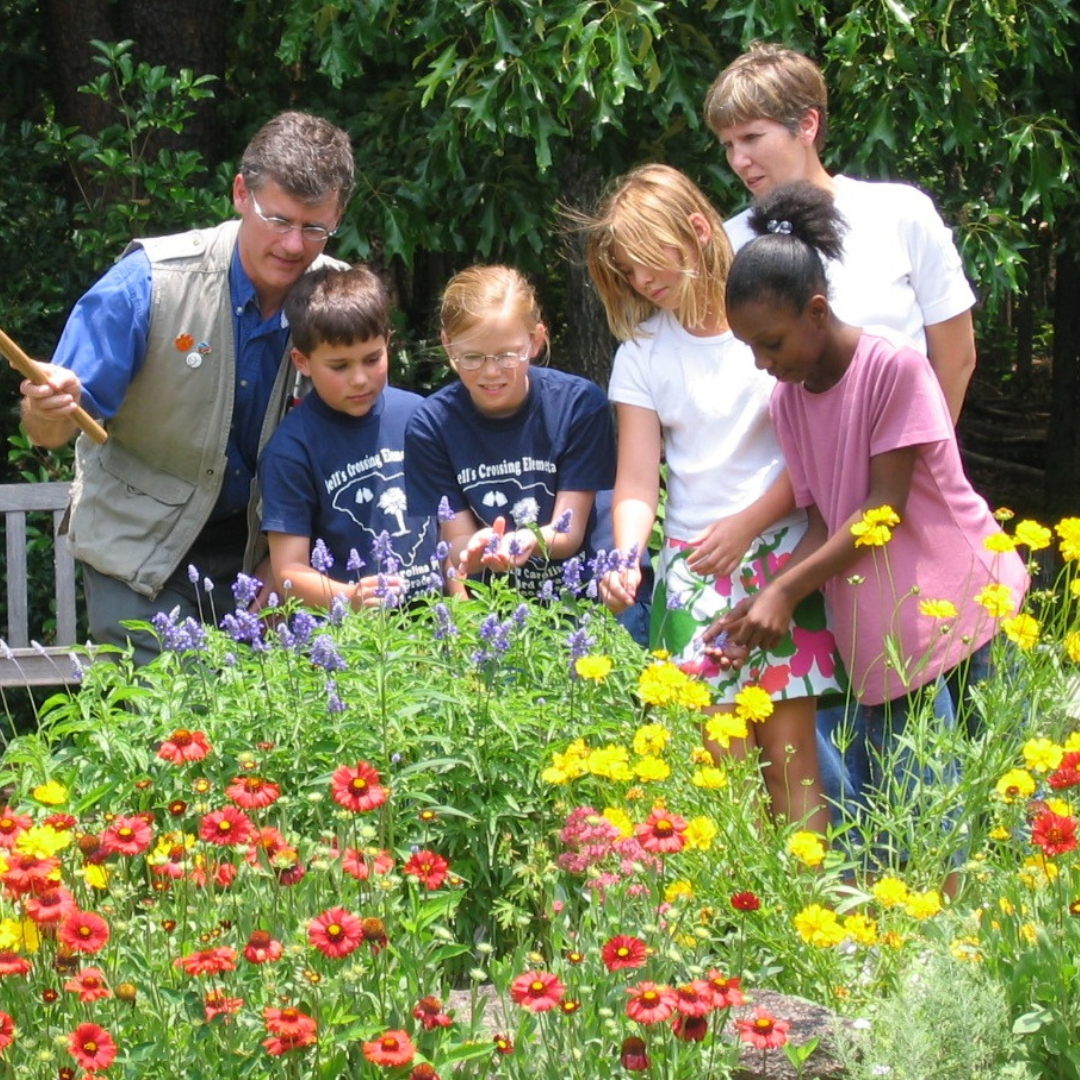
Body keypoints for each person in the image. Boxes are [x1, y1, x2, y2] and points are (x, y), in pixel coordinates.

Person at [705, 182, 1029, 818]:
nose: (761, 362)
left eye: (771, 343)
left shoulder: (895, 371)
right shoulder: (790, 402)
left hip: (969, 610)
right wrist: (763, 599)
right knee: (922, 821)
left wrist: (787, 591)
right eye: (748, 348)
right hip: (888, 638)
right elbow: (826, 519)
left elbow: (883, 510)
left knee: (1010, 807)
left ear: (817, 313)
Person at [15, 111, 354, 663]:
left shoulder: (336, 297)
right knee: (182, 716)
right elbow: (47, 431)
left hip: (270, 556)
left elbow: (357, 442)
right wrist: (47, 405)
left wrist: (287, 561)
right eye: (278, 219)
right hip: (142, 554)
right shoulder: (148, 282)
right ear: (241, 194)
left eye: (314, 228)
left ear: (337, 215)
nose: (294, 245)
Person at [582, 164, 844, 834]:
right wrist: (627, 555)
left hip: (783, 563)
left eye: (650, 262)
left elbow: (814, 455)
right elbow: (640, 479)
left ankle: (806, 919)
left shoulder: (767, 322)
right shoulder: (641, 352)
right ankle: (728, 928)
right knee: (714, 772)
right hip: (692, 571)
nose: (643, 283)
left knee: (791, 763)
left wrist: (750, 523)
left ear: (697, 230)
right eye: (628, 272)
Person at [704, 41, 977, 425]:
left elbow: (957, 357)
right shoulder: (726, 244)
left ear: (807, 125)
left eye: (751, 138)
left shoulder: (901, 212)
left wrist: (922, 461)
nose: (738, 160)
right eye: (728, 145)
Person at [404, 265, 646, 634]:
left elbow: (569, 533)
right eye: (472, 357)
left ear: (535, 341)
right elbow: (454, 542)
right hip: (494, 617)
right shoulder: (431, 425)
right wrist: (475, 546)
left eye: (507, 355)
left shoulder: (578, 404)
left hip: (585, 604)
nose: (490, 372)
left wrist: (526, 541)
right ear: (448, 345)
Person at [257, 266, 436, 610]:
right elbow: (289, 570)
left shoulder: (421, 416)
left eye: (372, 359)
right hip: (352, 640)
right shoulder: (291, 450)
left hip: (436, 622)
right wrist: (351, 598)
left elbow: (452, 521)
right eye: (339, 366)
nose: (359, 379)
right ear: (302, 362)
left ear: (388, 342)